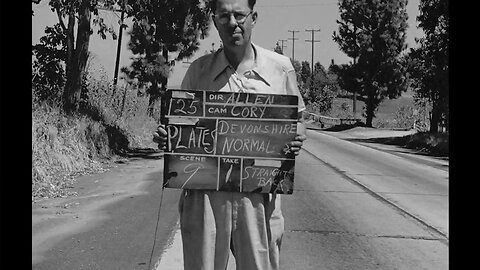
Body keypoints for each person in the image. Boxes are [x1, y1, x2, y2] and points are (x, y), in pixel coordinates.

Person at [153, 0, 306, 269]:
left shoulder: (280, 68)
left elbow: (299, 118)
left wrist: (296, 139)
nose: (233, 23)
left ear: (253, 17)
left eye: (239, 15)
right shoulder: (198, 71)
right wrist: (169, 138)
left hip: (259, 195)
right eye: (224, 16)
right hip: (205, 196)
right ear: (214, 21)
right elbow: (181, 127)